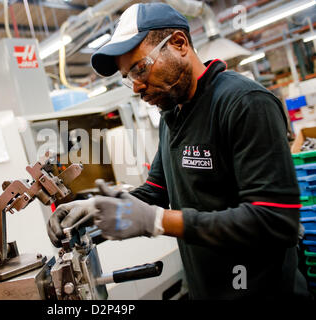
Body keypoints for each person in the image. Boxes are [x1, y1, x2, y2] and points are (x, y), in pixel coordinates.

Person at [46, 2, 311, 299]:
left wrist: (156, 221)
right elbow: (154, 192)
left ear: (179, 43)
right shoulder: (172, 115)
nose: (135, 87)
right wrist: (95, 207)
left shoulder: (244, 103)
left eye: (140, 68)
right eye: (128, 77)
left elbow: (276, 220)